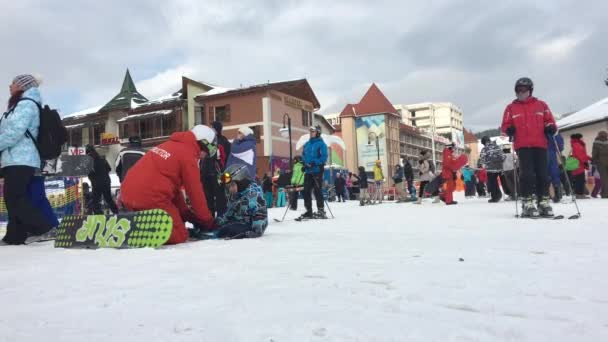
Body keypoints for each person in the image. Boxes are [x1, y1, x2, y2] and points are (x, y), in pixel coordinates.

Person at [120, 125, 216, 245]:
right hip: (150, 197)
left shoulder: (168, 145)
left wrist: (187, 215)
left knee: (177, 224)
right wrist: (207, 220)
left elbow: (174, 191)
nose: (206, 156)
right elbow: (195, 192)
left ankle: (128, 223)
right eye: (209, 150)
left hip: (127, 193)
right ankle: (138, 232)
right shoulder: (188, 155)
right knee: (180, 235)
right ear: (204, 143)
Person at [0, 74, 55, 245]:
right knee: (14, 198)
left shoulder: (26, 105)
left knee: (15, 198)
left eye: (13, 83)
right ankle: (15, 236)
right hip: (16, 159)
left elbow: (14, 132)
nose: (10, 86)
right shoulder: (21, 105)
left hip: (21, 159)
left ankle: (44, 228)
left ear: (22, 87)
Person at [501, 77, 557, 217]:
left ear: (530, 90)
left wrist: (550, 127)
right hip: (523, 145)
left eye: (524, 90)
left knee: (543, 174)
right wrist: (509, 130)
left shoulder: (541, 105)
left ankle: (543, 201)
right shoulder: (511, 108)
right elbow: (505, 125)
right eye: (519, 90)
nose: (521, 93)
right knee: (527, 174)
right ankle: (527, 202)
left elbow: (550, 121)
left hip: (540, 144)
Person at [211, 163, 267, 239]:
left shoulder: (254, 195)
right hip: (237, 224)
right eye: (229, 186)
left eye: (233, 185)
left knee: (228, 229)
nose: (230, 189)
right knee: (220, 228)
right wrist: (215, 223)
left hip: (249, 226)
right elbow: (229, 214)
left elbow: (260, 215)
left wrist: (253, 232)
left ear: (242, 182)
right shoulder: (236, 196)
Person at [298, 126, 328, 219]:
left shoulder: (321, 144)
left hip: (317, 170)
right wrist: (304, 164)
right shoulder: (307, 144)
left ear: (318, 132)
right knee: (306, 190)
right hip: (308, 170)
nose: (311, 133)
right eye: (310, 131)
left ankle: (321, 210)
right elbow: (303, 155)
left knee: (317, 190)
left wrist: (314, 162)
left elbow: (324, 157)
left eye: (313, 131)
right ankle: (308, 211)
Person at [86, 145, 118, 215]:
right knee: (109, 199)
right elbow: (109, 169)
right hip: (106, 181)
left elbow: (89, 173)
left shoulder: (88, 161)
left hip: (96, 183)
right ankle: (116, 213)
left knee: (95, 201)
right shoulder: (102, 158)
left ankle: (99, 215)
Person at [478, 136, 506, 202]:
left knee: (492, 182)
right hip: (500, 167)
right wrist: (500, 162)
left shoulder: (484, 149)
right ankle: (511, 193)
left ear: (484, 142)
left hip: (491, 169)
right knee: (503, 181)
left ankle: (496, 196)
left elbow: (482, 159)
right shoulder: (497, 146)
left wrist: (485, 164)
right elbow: (503, 156)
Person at [569, 133, 591, 199]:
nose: (583, 139)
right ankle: (579, 194)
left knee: (580, 179)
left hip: (578, 165)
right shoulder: (577, 144)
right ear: (579, 138)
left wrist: (589, 158)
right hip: (578, 165)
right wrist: (585, 162)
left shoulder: (577, 144)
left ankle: (580, 194)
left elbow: (582, 154)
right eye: (582, 137)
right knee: (580, 180)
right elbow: (580, 155)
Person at [546, 133, 564, 203]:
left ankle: (551, 194)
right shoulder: (554, 132)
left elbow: (560, 147)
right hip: (552, 155)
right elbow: (560, 147)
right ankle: (556, 194)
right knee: (554, 174)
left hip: (543, 154)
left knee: (546, 175)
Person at [591, 131, 608, 198]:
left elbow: (594, 153)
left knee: (604, 179)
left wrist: (594, 162)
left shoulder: (596, 143)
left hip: (600, 163)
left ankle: (605, 194)